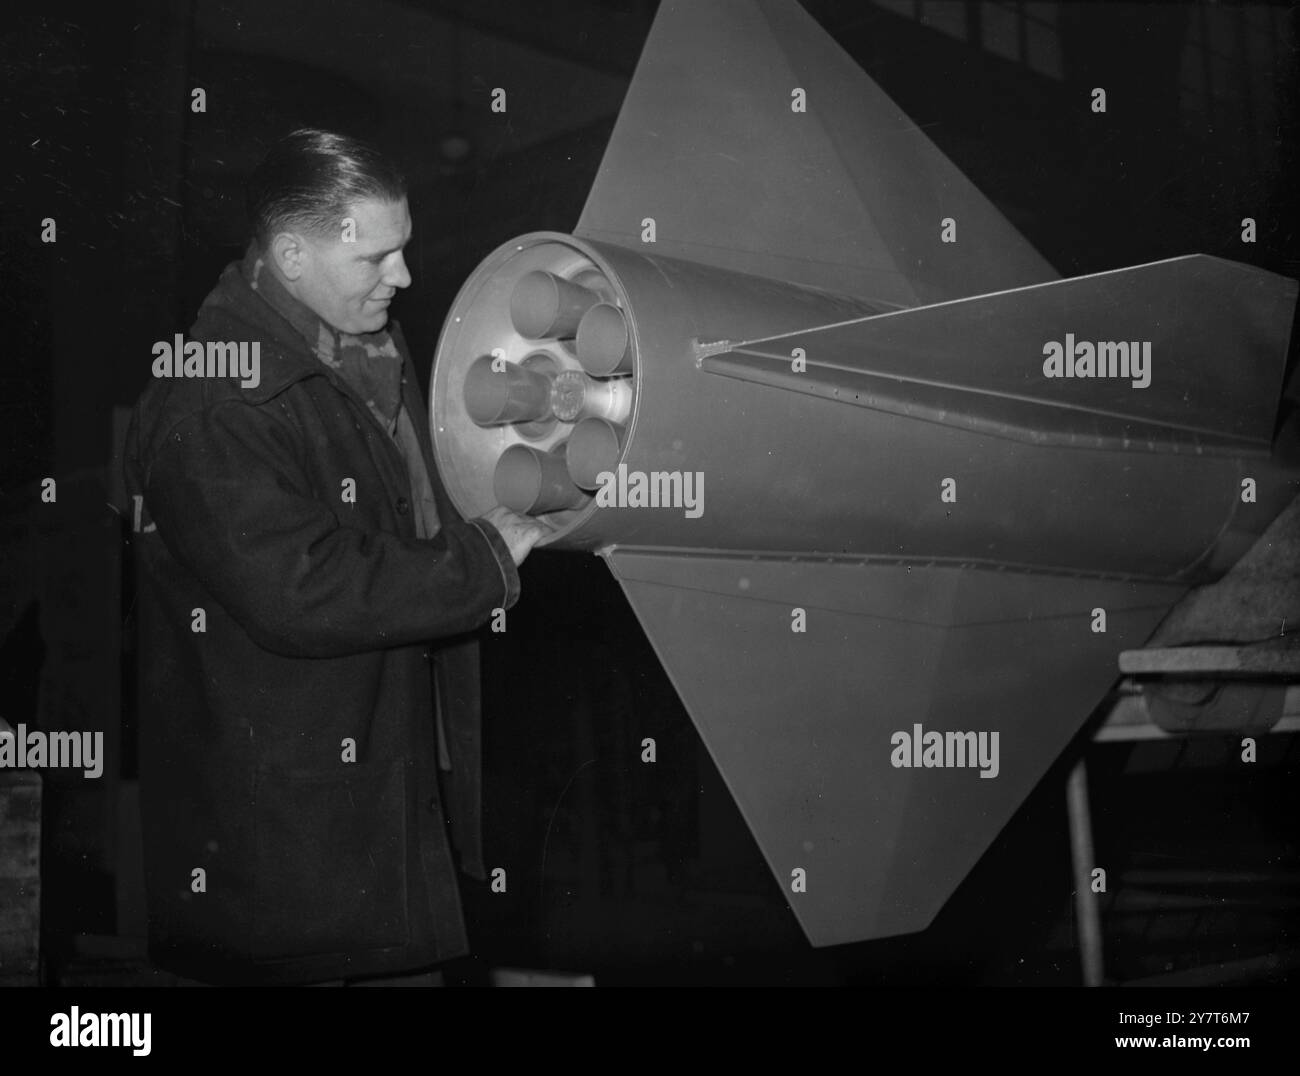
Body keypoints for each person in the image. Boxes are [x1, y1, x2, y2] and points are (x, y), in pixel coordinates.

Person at [122, 128, 549, 985]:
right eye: (377, 258)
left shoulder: (361, 359)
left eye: (404, 249)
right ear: (289, 255)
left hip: (368, 820)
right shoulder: (216, 403)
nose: (404, 277)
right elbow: (302, 588)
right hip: (288, 864)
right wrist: (484, 559)